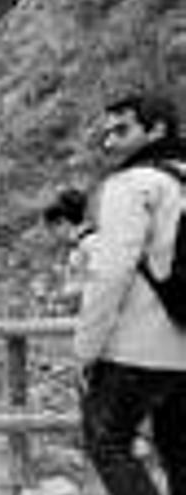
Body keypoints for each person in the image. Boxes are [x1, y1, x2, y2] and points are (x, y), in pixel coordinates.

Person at [78, 94, 186, 495]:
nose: (110, 142)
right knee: (179, 452)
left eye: (122, 130)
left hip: (139, 349)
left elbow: (109, 273)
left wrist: (86, 349)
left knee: (107, 444)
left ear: (157, 129)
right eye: (106, 133)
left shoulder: (131, 184)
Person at [42, 188, 98, 313]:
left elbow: (97, 283)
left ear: (63, 222)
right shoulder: (76, 246)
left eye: (52, 229)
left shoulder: (91, 243)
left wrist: (61, 296)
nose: (54, 235)